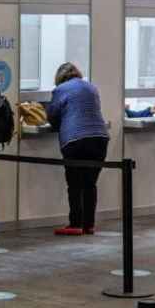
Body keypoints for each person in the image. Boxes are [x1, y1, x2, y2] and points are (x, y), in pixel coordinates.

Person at [46, 63, 110, 236]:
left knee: (74, 183)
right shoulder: (91, 87)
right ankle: (89, 225)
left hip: (75, 139)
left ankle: (75, 224)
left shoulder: (60, 90)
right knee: (90, 184)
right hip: (100, 138)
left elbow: (52, 116)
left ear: (60, 77)